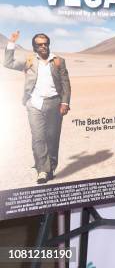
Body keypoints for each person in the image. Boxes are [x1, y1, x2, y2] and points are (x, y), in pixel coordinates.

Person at [3, 31, 71, 184]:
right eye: (39, 44)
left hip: (54, 103)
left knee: (52, 138)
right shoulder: (29, 61)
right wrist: (11, 44)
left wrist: (65, 103)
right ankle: (42, 170)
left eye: (45, 43)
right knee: (38, 138)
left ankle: (51, 167)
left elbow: (66, 84)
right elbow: (8, 63)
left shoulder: (59, 61)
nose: (43, 46)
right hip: (34, 103)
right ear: (34, 47)